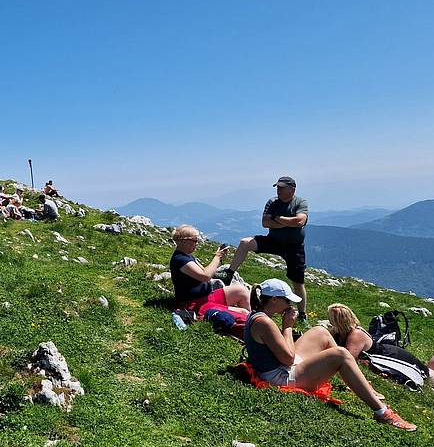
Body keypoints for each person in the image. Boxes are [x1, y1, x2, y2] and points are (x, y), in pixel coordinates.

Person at [244, 279, 416, 430]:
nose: (290, 305)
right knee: (341, 354)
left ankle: (356, 381)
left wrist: (286, 327)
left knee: (321, 332)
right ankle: (382, 412)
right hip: (281, 377)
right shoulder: (264, 322)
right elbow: (288, 359)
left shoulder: (258, 316)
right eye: (287, 300)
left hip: (281, 366)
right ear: (274, 299)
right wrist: (287, 326)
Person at [227, 176, 310, 315]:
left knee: (298, 282)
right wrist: (289, 223)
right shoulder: (272, 202)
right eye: (278, 187)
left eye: (282, 187)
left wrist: (277, 218)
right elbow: (266, 223)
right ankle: (229, 274)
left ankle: (302, 314)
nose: (279, 190)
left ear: (292, 189)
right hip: (273, 240)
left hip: (294, 246)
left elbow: (300, 222)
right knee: (245, 243)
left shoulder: (300, 202)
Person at [328, 304, 434, 393]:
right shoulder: (337, 332)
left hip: (394, 357)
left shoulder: (356, 335)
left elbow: (349, 359)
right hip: (388, 354)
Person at [169, 225, 250, 316]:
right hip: (194, 304)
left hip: (207, 296)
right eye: (195, 241)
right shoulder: (180, 260)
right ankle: (249, 324)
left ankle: (251, 322)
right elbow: (205, 276)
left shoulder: (187, 256)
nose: (197, 244)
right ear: (184, 242)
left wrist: (219, 259)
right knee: (244, 313)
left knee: (241, 290)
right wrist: (217, 256)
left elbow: (205, 270)